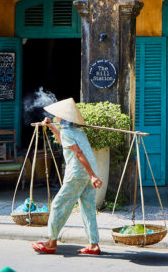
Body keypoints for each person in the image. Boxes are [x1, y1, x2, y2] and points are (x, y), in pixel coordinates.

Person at [31, 98, 103, 255]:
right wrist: (51, 127)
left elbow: (78, 153)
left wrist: (91, 176)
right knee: (88, 208)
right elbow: (64, 142)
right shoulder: (76, 131)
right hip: (89, 171)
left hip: (78, 173)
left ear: (63, 118)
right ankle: (93, 245)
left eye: (57, 116)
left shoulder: (68, 132)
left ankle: (51, 242)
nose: (56, 118)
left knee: (58, 204)